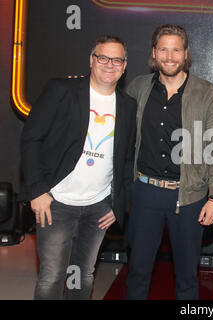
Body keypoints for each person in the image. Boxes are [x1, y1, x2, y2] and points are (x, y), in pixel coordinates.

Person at [20, 35, 137, 299]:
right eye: (103, 57)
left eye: (116, 59)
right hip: (56, 203)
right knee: (52, 277)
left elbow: (127, 160)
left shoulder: (128, 106)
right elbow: (31, 139)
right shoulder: (61, 91)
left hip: (98, 207)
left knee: (82, 274)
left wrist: (118, 204)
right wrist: (37, 191)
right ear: (91, 60)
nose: (110, 64)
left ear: (124, 65)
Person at [125, 24, 213, 300]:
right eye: (163, 49)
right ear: (154, 53)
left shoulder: (206, 93)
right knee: (137, 271)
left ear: (186, 54)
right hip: (145, 192)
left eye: (176, 49)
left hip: (189, 196)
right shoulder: (137, 88)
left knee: (186, 277)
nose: (169, 56)